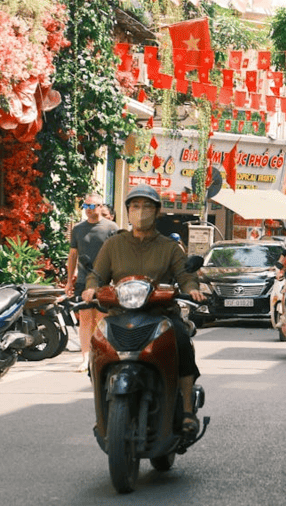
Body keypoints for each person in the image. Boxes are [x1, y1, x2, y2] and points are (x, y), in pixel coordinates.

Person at [81, 184, 207, 438]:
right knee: (98, 349)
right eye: (135, 206)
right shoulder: (114, 244)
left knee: (181, 342)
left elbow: (185, 275)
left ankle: (185, 411)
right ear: (127, 211)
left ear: (157, 211)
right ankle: (104, 414)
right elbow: (97, 274)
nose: (141, 211)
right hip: (120, 314)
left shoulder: (169, 247)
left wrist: (192, 289)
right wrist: (91, 288)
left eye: (147, 206)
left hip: (160, 313)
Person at [65, 192, 118, 372]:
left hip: (105, 280)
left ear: (100, 207)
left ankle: (100, 354)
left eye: (91, 206)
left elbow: (118, 255)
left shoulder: (112, 227)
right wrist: (69, 281)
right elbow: (73, 256)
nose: (88, 210)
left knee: (102, 319)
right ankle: (86, 357)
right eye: (85, 206)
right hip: (83, 280)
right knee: (86, 319)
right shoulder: (78, 229)